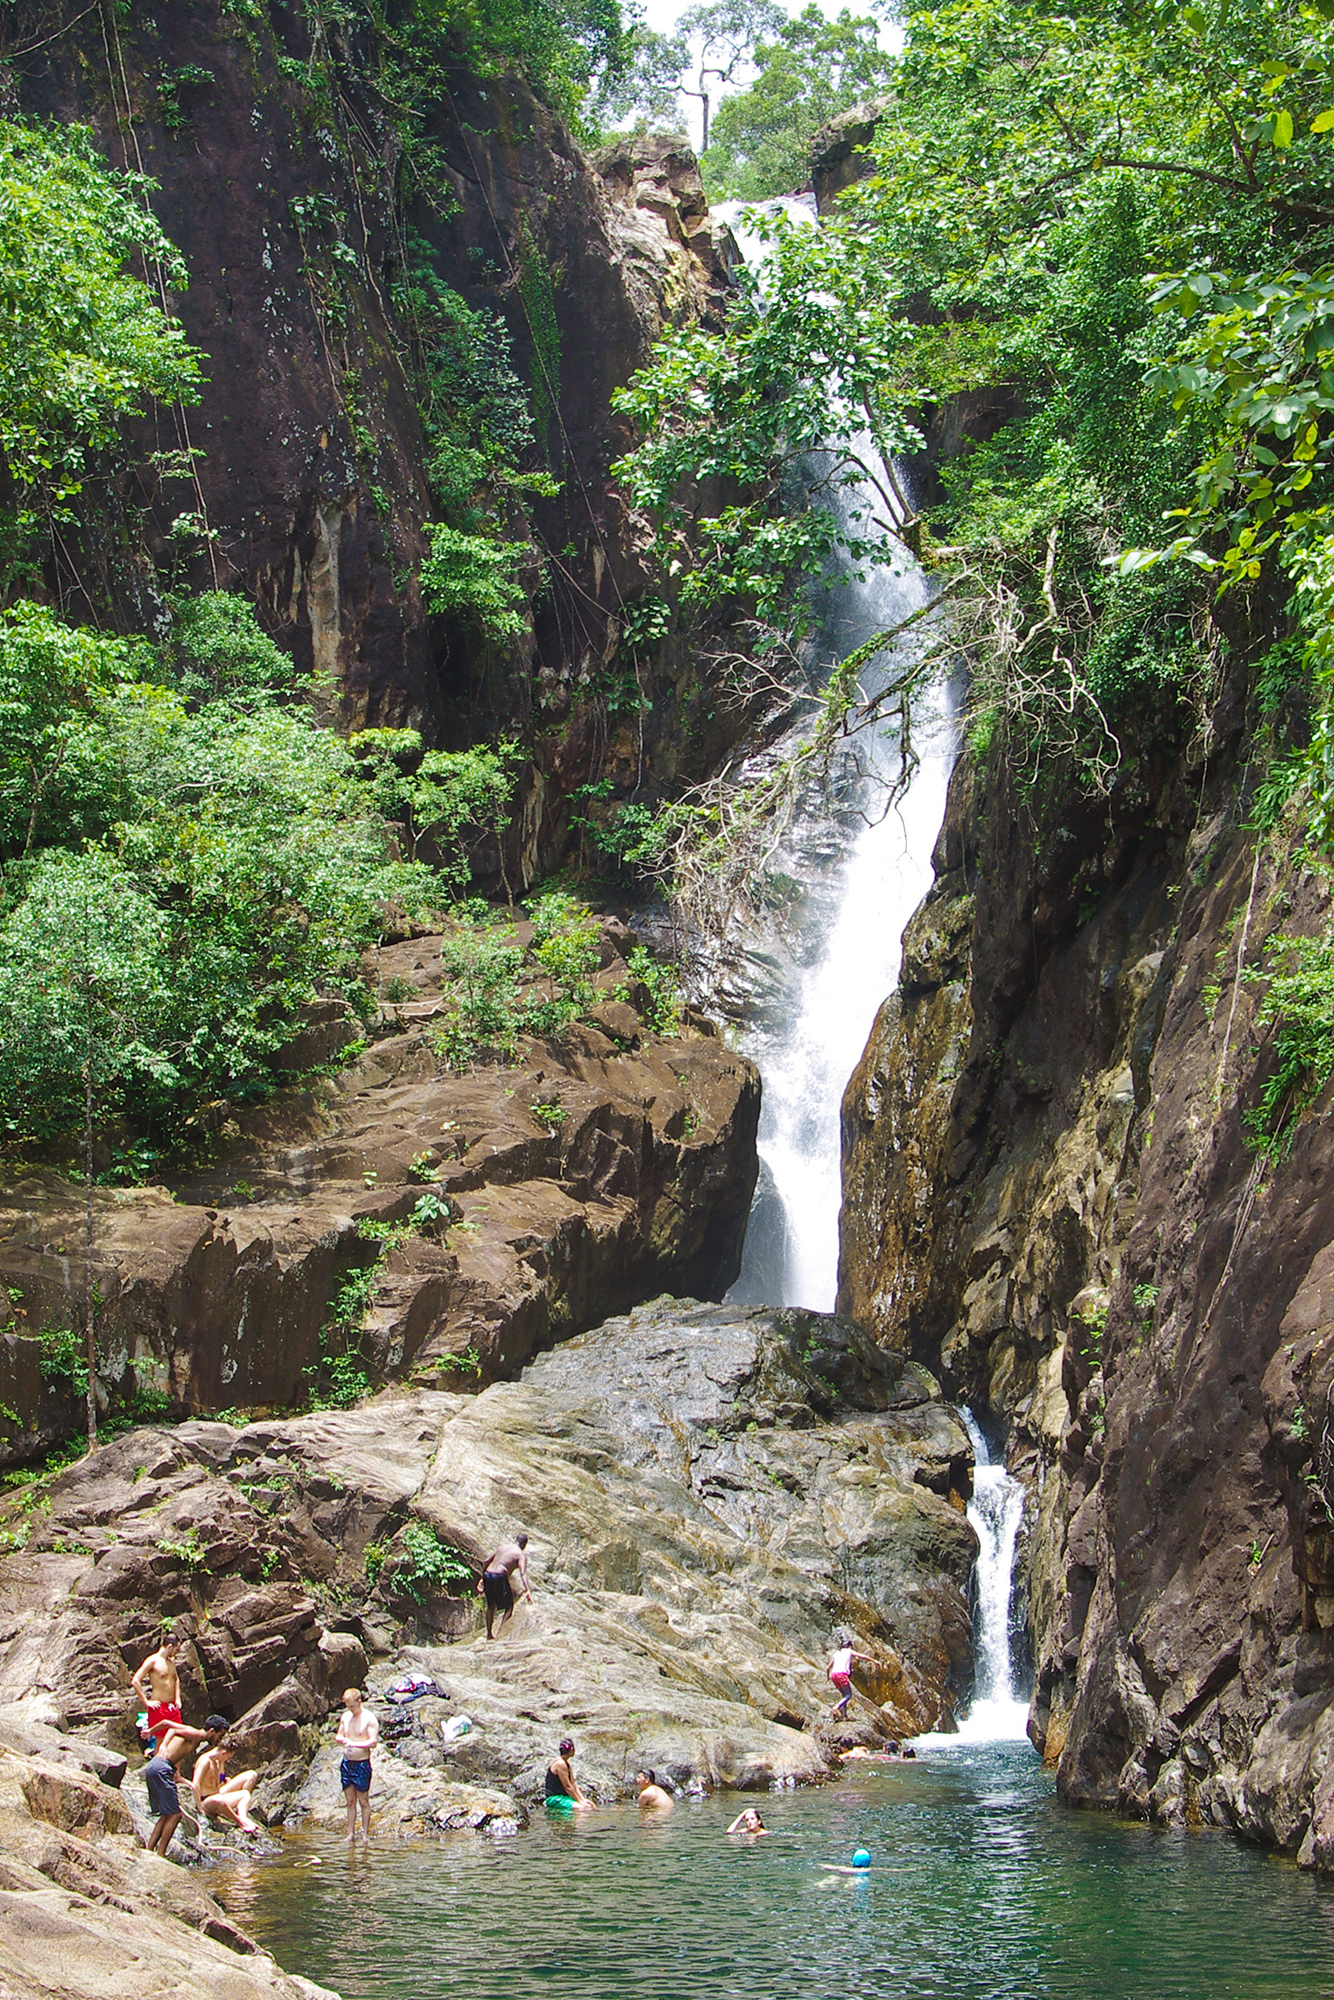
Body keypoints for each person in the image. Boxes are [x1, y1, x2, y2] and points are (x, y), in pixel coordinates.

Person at [142, 1717, 214, 1856]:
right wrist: (164, 1744)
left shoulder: (193, 1734)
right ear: (212, 1731)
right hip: (162, 1768)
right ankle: (161, 1853)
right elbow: (173, 1729)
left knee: (166, 1815)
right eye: (220, 1735)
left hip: (155, 1766)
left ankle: (149, 1850)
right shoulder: (198, 1734)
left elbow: (166, 1723)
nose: (219, 1740)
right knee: (175, 1815)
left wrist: (151, 1731)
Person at [192, 1717, 260, 1833]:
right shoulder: (205, 1761)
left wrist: (224, 1780)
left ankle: (243, 1816)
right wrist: (199, 1808)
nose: (227, 1760)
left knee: (245, 1794)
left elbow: (219, 1781)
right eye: (228, 1757)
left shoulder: (218, 1762)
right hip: (206, 1802)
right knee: (218, 1799)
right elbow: (195, 1784)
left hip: (217, 1795)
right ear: (223, 1753)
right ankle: (240, 1822)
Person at [336, 1687, 378, 1842]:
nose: (350, 1709)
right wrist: (341, 1739)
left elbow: (373, 1742)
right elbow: (340, 1734)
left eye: (352, 1706)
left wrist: (354, 1744)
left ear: (359, 1702)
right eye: (347, 1706)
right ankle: (350, 1834)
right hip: (347, 1763)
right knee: (350, 1801)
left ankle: (365, 1834)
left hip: (361, 1764)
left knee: (363, 1800)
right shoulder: (345, 1717)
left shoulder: (369, 1718)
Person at [130, 1633, 182, 1751]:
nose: (177, 1652)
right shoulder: (152, 1661)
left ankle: (176, 1769)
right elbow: (135, 1681)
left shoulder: (171, 1662)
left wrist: (177, 1698)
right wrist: (146, 1702)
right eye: (176, 1649)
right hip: (159, 1707)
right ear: (169, 1647)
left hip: (172, 1707)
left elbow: (176, 1679)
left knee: (178, 1738)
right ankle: (158, 1767)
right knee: (160, 1741)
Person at [477, 1533, 532, 1640]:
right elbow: (523, 1573)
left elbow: (486, 1561)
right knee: (509, 1607)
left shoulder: (502, 1548)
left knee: (491, 1605)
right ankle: (500, 1635)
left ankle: (489, 1635)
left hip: (488, 1574)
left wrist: (482, 1578)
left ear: (516, 1540)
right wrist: (528, 1590)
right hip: (499, 1576)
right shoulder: (520, 1555)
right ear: (524, 1545)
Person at [828, 1638, 876, 1717]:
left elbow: (828, 1667)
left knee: (844, 1695)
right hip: (841, 1675)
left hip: (834, 1675)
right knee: (848, 1695)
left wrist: (828, 1677)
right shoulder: (849, 1651)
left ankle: (844, 1715)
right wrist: (874, 1661)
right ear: (849, 1646)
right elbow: (863, 1656)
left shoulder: (836, 1653)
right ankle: (836, 1707)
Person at [546, 1736, 595, 1812]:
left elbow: (573, 1783)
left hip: (565, 1797)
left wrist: (582, 1799)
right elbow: (567, 1786)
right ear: (572, 1749)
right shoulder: (560, 1764)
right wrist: (580, 1802)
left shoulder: (566, 1764)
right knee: (582, 1809)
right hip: (555, 1798)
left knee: (591, 1806)